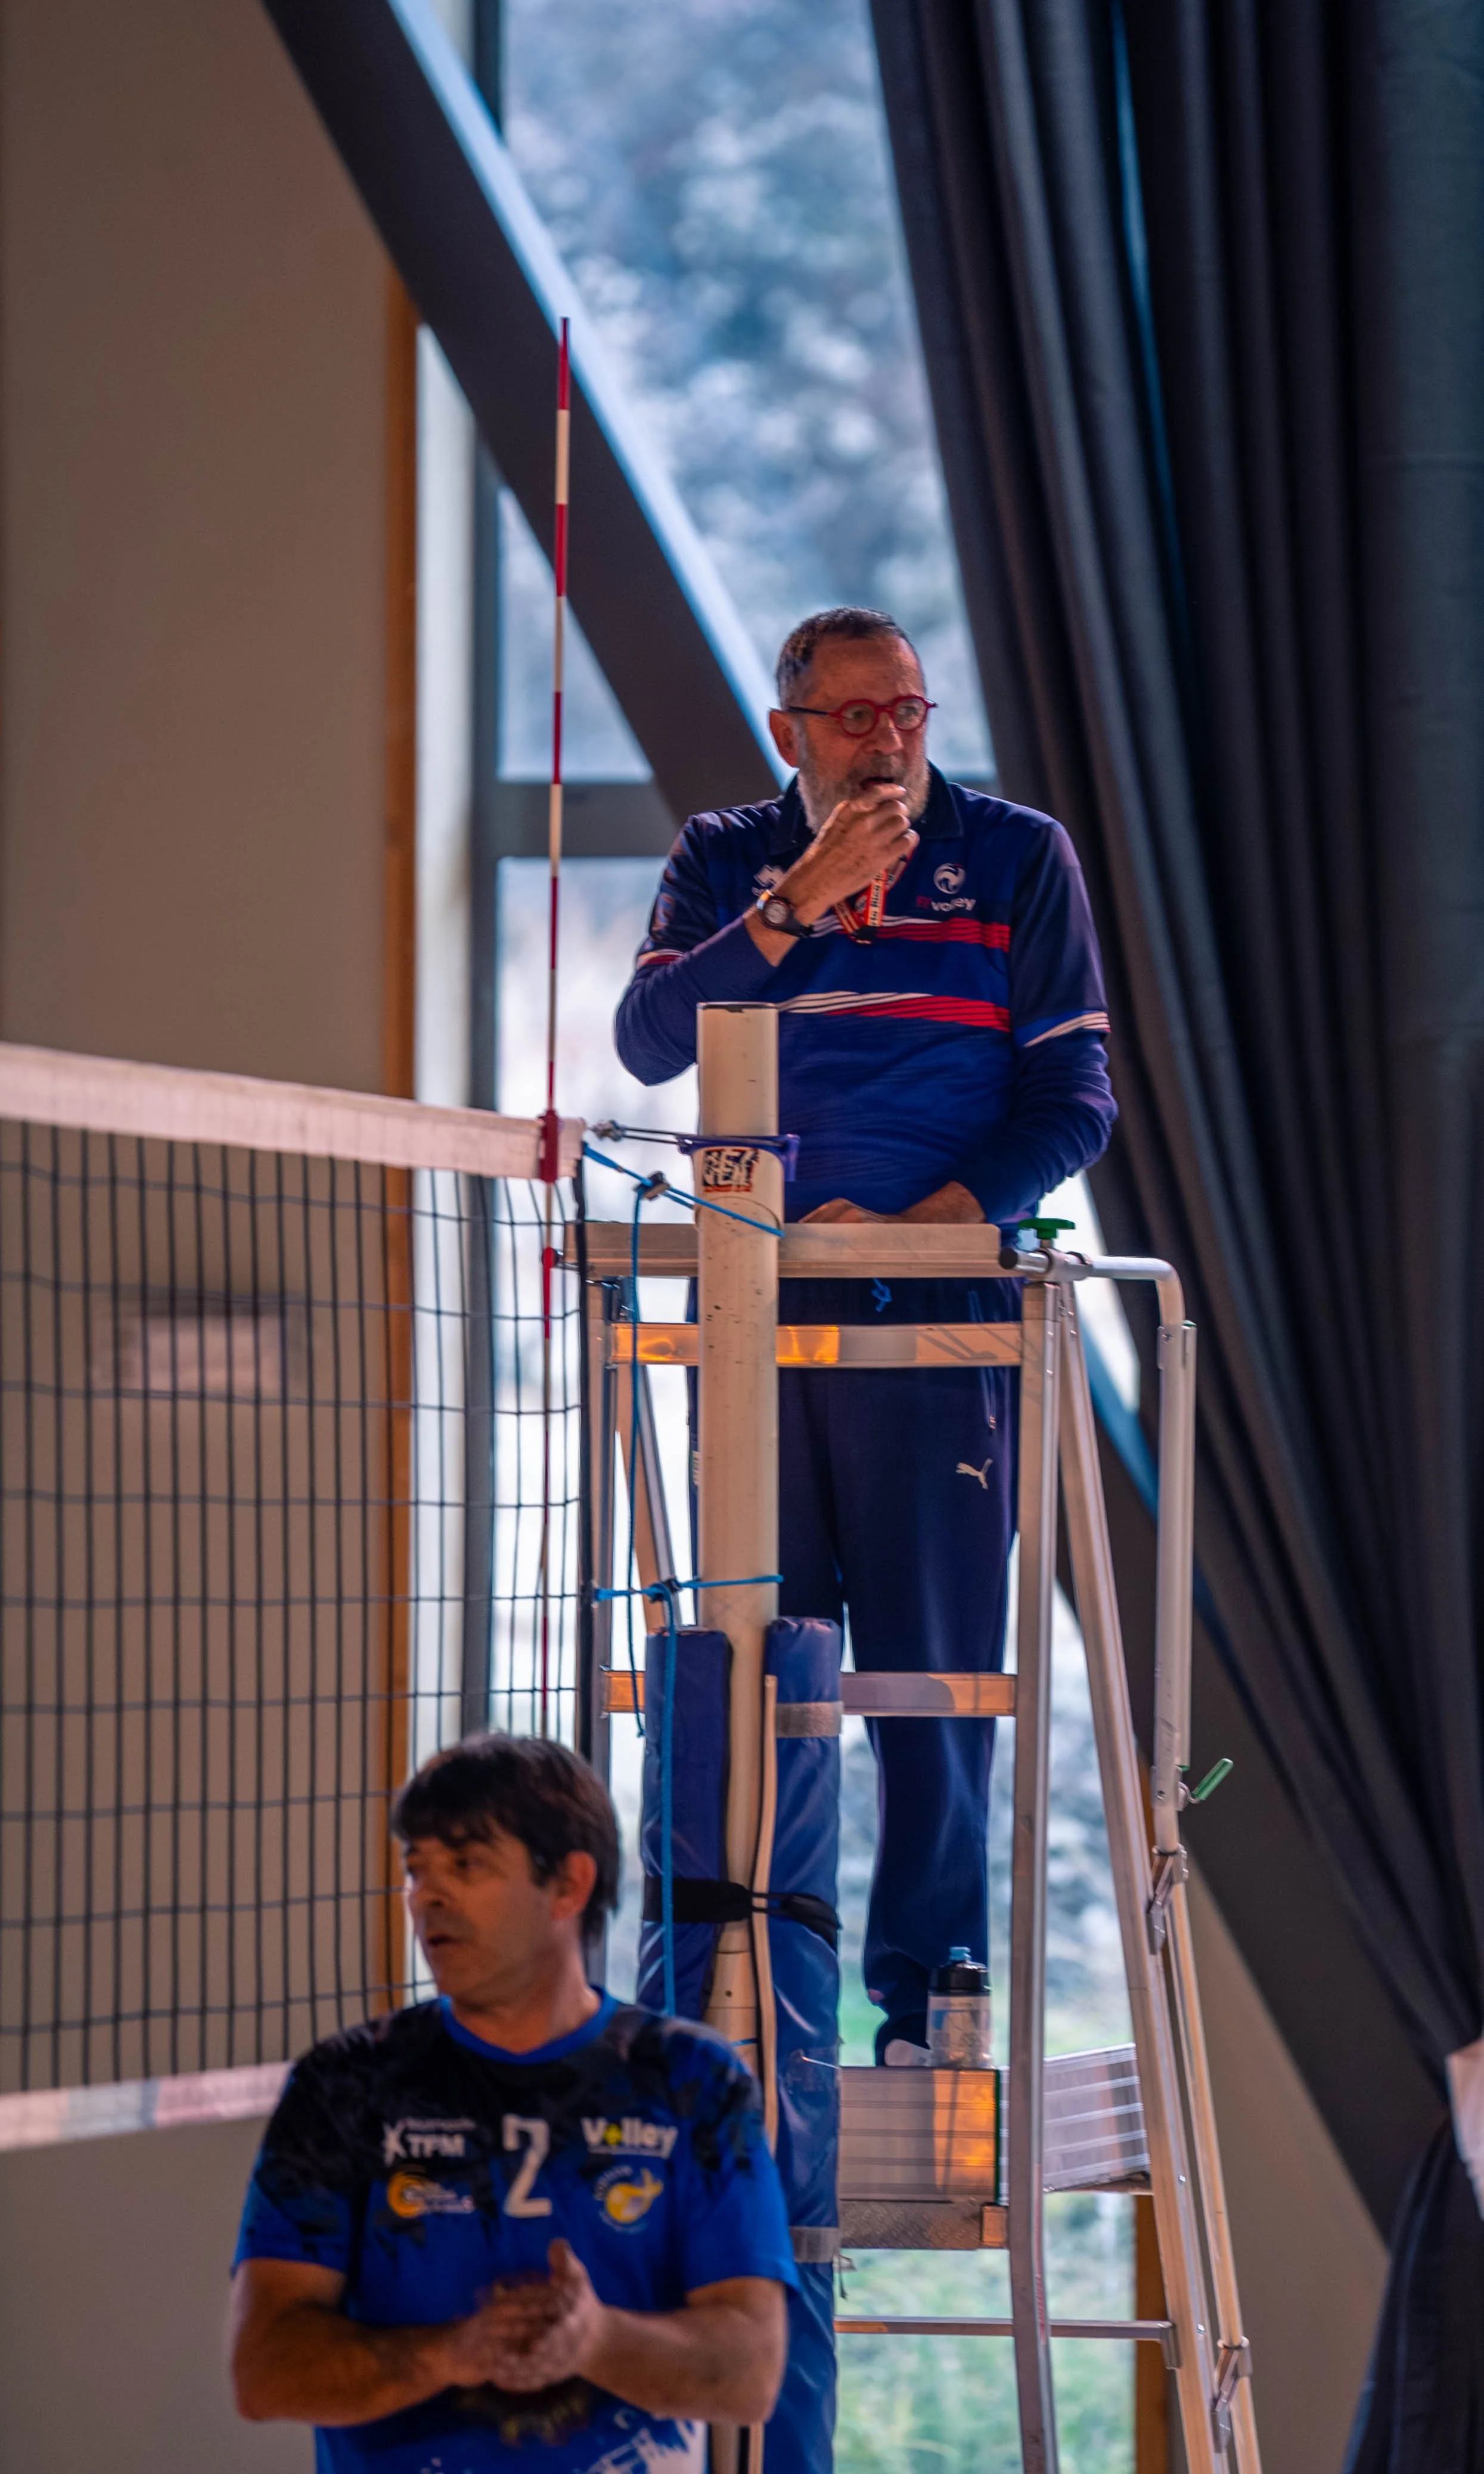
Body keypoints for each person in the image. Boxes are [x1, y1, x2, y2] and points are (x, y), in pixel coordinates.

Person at [616, 606, 1115, 2063]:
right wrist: (797, 898)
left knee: (931, 1683)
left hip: (938, 1319)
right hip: (754, 1320)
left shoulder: (1015, 854)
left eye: (904, 708)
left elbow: (1073, 1101)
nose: (886, 738)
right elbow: (651, 1040)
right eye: (851, 717)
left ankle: (924, 2001)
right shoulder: (723, 853)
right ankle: (736, 2008)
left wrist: (932, 1223)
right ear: (788, 734)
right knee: (756, 1676)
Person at [230, 1732, 796, 2470]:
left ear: (568, 1885)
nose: (427, 1895)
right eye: (416, 1869)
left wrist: (595, 2340)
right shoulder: (345, 2082)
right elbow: (264, 2371)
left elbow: (751, 2375)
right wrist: (451, 2353)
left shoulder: (691, 2080)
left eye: (465, 1864)